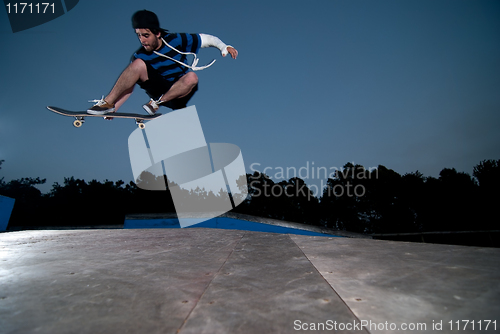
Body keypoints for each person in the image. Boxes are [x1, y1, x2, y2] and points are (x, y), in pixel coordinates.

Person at [87, 10, 238, 115]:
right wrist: (116, 108)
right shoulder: (140, 54)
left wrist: (223, 46)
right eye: (139, 36)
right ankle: (107, 103)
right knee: (137, 64)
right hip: (159, 88)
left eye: (146, 35)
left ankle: (156, 104)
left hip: (179, 94)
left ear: (157, 33)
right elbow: (128, 86)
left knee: (192, 77)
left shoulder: (176, 40)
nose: (142, 40)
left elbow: (208, 39)